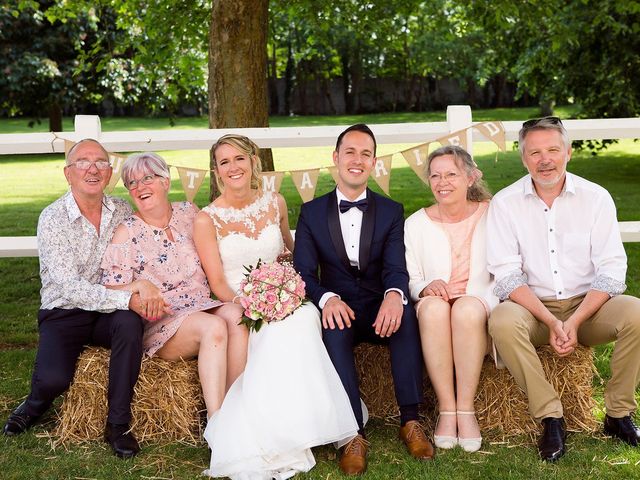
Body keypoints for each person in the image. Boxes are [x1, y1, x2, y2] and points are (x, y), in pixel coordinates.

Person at [195, 134, 358, 480]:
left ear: (254, 161)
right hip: (241, 302)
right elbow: (218, 283)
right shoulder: (206, 219)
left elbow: (290, 253)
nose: (233, 167)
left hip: (283, 295)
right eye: (224, 162)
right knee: (273, 331)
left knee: (305, 318)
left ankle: (307, 421)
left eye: (239, 158)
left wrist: (286, 290)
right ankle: (269, 429)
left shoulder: (276, 202)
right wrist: (252, 302)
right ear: (216, 171)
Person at [487, 116, 640, 462]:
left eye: (553, 150)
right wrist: (553, 322)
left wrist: (574, 321)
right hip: (533, 309)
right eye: (535, 152)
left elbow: (613, 271)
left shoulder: (595, 198)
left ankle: (617, 414)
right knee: (501, 321)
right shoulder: (505, 203)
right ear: (523, 159)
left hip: (589, 308)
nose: (545, 160)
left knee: (637, 313)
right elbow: (508, 276)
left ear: (568, 152)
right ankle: (551, 416)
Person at [293, 124, 433, 475]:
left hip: (377, 303)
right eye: (350, 152)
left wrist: (393, 295)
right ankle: (351, 433)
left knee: (405, 316)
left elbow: (396, 267)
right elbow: (304, 273)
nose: (357, 160)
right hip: (339, 305)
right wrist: (326, 298)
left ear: (373, 162)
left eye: (365, 153)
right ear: (335, 159)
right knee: (332, 334)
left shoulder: (391, 210)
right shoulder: (311, 213)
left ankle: (411, 420)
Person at [2, 139, 146, 458]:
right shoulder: (52, 218)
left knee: (129, 325)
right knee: (54, 378)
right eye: (83, 162)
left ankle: (118, 425)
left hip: (107, 312)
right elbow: (70, 287)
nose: (92, 168)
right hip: (64, 311)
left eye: (100, 162)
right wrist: (127, 298)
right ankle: (34, 404)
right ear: (68, 173)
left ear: (109, 173)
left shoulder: (122, 210)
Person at [99, 152, 248, 419]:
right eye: (132, 183)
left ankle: (237, 410)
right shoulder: (127, 232)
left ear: (166, 182)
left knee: (237, 316)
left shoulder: (189, 213)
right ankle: (218, 425)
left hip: (202, 304)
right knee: (213, 326)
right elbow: (107, 290)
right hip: (164, 321)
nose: (140, 187)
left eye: (148, 178)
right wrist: (138, 285)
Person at [404, 145, 497, 453]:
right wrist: (426, 286)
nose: (442, 182)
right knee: (432, 310)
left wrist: (481, 295)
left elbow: (508, 266)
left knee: (467, 310)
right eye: (435, 175)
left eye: (451, 174)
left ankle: (466, 409)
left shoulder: (492, 213)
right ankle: (447, 409)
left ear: (471, 178)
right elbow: (411, 277)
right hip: (437, 302)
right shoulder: (416, 224)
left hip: (481, 297)